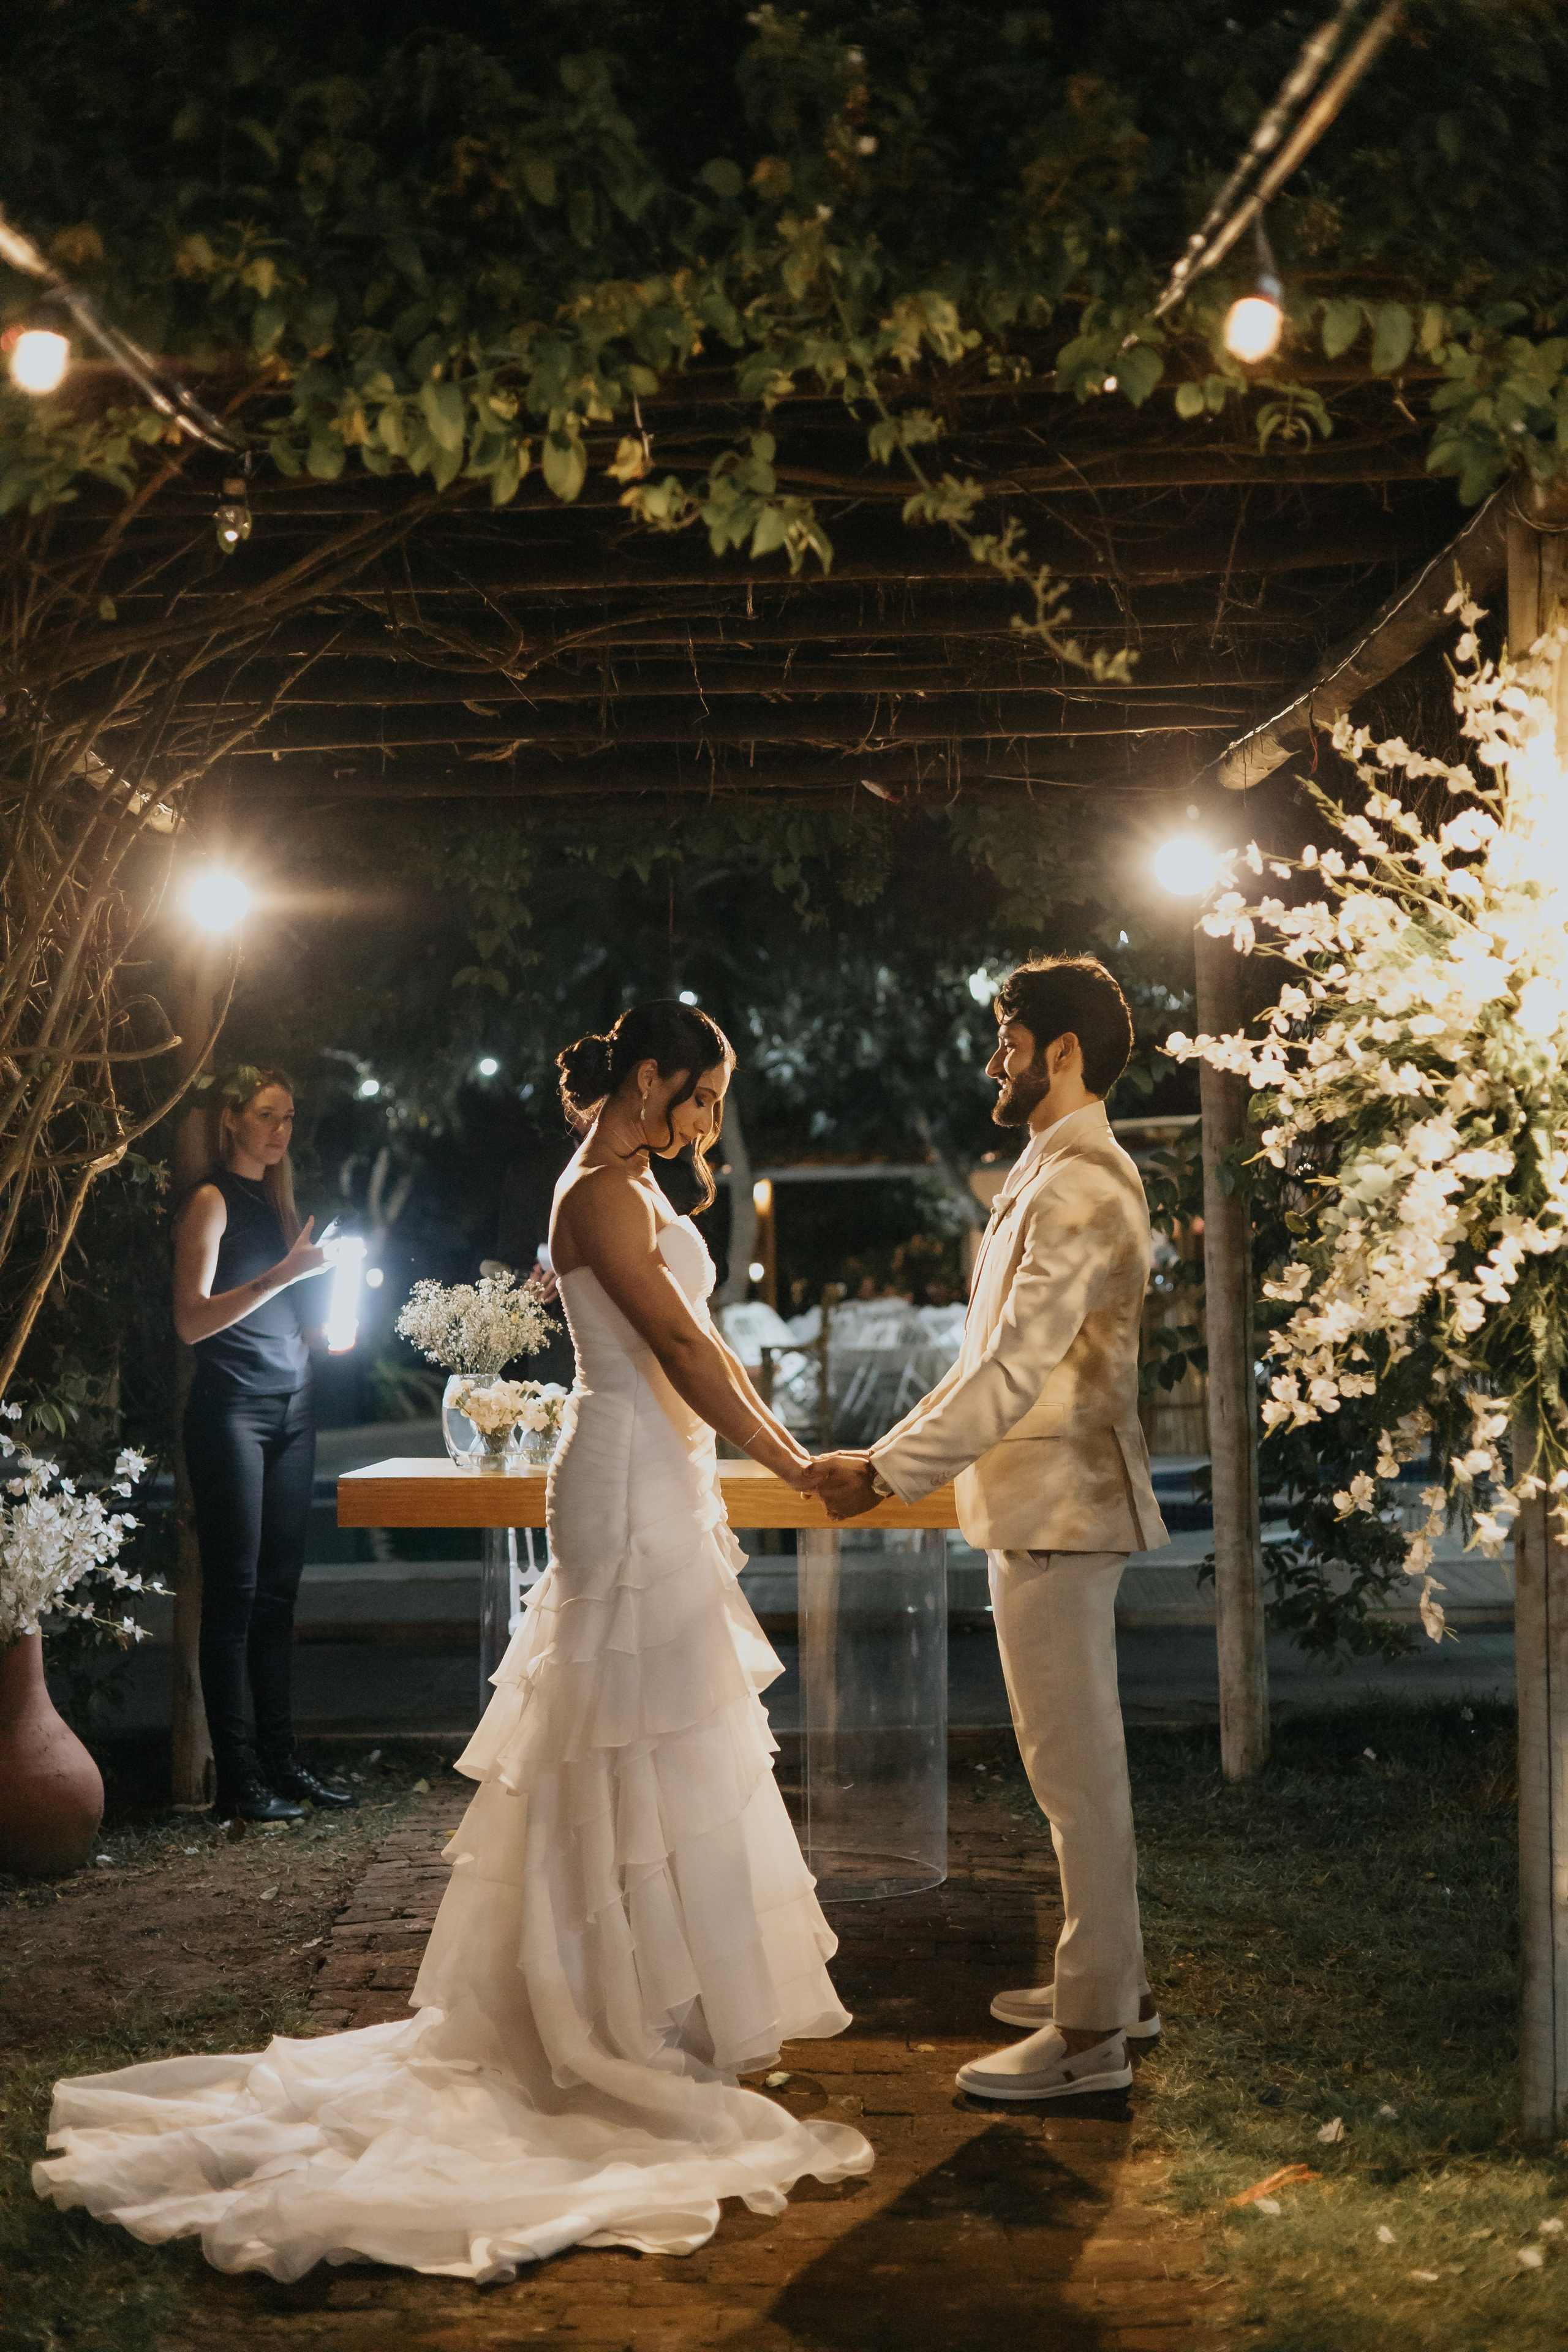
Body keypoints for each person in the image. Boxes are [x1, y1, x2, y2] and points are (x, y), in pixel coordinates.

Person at [34, 1002, 870, 2279]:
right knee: (607, 1736)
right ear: (650, 1081)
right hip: (622, 1477)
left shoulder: (630, 1179)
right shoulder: (594, 1192)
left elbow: (707, 1351)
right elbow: (681, 1345)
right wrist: (792, 1461)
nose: (710, 1121)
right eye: (702, 1096)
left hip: (665, 1471)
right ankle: (585, 2014)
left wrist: (779, 1447)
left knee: (663, 1735)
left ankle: (646, 1995)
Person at [815, 956, 1170, 2103]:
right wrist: (888, 1456)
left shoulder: (1077, 1185)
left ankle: (1089, 2039)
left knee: (1077, 1776)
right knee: (1073, 1767)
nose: (993, 1059)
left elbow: (1011, 1375)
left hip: (1063, 1508)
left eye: (1008, 1039)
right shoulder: (1052, 1171)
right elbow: (984, 1364)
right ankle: (1116, 1987)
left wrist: (883, 1475)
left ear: (1060, 1051)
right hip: (1046, 1506)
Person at [170, 1066, 354, 1825]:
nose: (280, 1129)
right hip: (231, 1413)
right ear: (231, 1120)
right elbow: (191, 1322)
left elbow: (293, 1316)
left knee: (279, 1597)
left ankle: (282, 1762)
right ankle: (238, 1781)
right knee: (236, 1595)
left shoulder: (283, 1208)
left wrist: (329, 1322)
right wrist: (287, 1273)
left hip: (294, 1407)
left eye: (288, 1115)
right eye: (267, 1114)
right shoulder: (210, 1201)